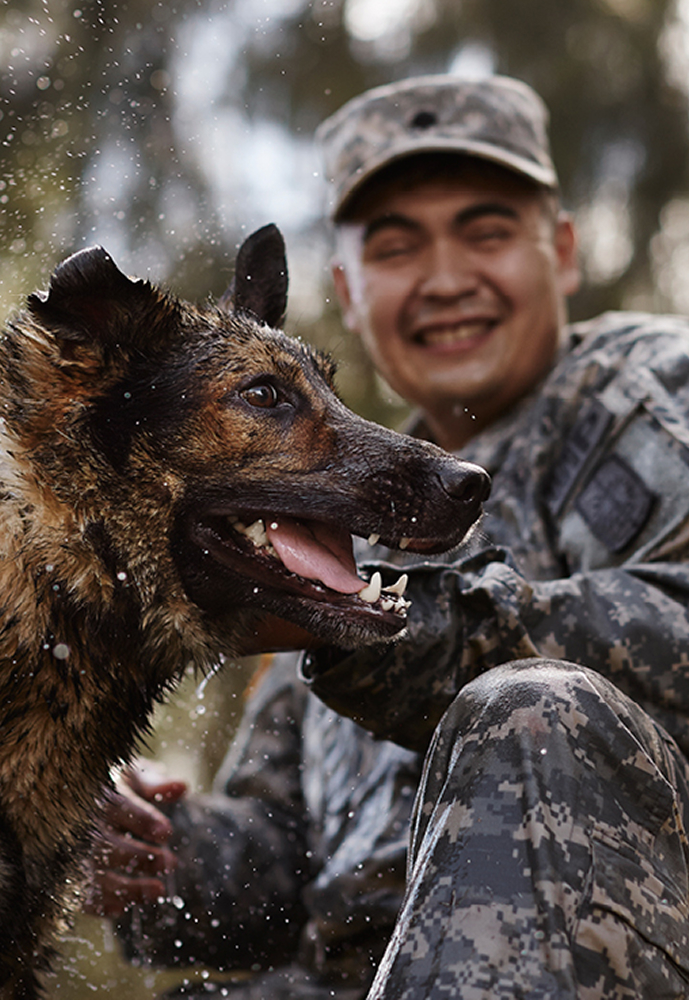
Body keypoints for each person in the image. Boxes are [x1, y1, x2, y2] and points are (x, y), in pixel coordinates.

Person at [85, 75, 689, 999]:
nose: (447, 280)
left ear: (562, 252)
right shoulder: (324, 511)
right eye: (398, 248)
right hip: (384, 975)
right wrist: (151, 850)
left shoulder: (656, 393)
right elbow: (288, 857)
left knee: (535, 711)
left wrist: (409, 631)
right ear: (349, 292)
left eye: (486, 232)